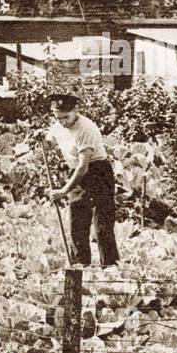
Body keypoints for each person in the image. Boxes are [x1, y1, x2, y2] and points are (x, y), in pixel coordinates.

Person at [46, 93, 119, 268]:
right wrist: (43, 139)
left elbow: (83, 167)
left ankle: (109, 269)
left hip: (97, 173)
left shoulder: (86, 128)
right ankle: (80, 268)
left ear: (75, 111)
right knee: (77, 225)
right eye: (58, 117)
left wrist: (63, 191)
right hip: (77, 174)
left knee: (102, 227)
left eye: (66, 117)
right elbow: (51, 138)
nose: (62, 122)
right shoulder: (58, 124)